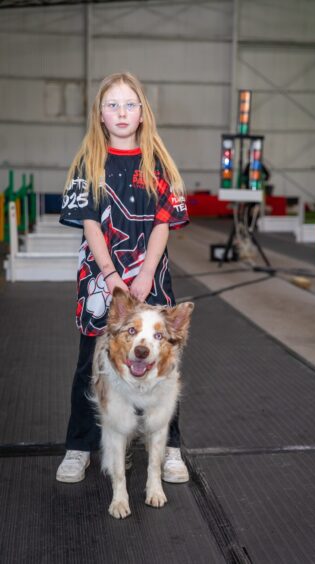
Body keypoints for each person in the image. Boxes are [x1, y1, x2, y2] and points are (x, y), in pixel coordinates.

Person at [56, 72, 190, 484]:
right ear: (99, 114)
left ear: (142, 114)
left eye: (129, 104)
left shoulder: (158, 163)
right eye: (112, 105)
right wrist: (113, 277)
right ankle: (79, 447)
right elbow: (91, 224)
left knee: (163, 365)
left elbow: (164, 222)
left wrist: (147, 271)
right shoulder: (87, 163)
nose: (121, 112)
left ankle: (169, 449)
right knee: (90, 366)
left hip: (151, 281)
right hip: (101, 284)